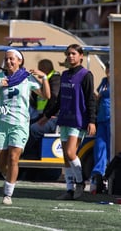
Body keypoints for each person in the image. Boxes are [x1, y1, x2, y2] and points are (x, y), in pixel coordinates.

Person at [0, 49, 50, 205]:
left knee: (14, 157)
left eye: (12, 59)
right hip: (1, 123)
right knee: (1, 162)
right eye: (6, 59)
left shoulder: (26, 78)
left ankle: (8, 193)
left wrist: (45, 78)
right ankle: (11, 178)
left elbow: (46, 95)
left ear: (19, 61)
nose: (8, 62)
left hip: (19, 124)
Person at [52, 44, 96, 200]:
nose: (71, 56)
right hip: (64, 118)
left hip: (78, 120)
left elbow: (91, 98)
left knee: (71, 153)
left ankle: (81, 183)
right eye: (68, 54)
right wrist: (46, 115)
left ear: (81, 56)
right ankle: (69, 190)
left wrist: (92, 121)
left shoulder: (86, 75)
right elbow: (59, 100)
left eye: (74, 54)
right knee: (65, 156)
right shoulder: (64, 75)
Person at [24, 59, 61, 158]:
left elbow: (54, 98)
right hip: (42, 115)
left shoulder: (56, 79)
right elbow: (34, 99)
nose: (38, 71)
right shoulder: (45, 80)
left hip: (53, 117)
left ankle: (29, 156)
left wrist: (46, 116)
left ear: (45, 69)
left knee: (33, 129)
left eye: (40, 68)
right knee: (24, 127)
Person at [90, 61, 110, 194]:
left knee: (110, 148)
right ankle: (98, 175)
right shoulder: (104, 81)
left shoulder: (117, 81)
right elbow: (98, 96)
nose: (108, 70)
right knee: (100, 147)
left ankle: (107, 176)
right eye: (108, 67)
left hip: (113, 119)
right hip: (102, 119)